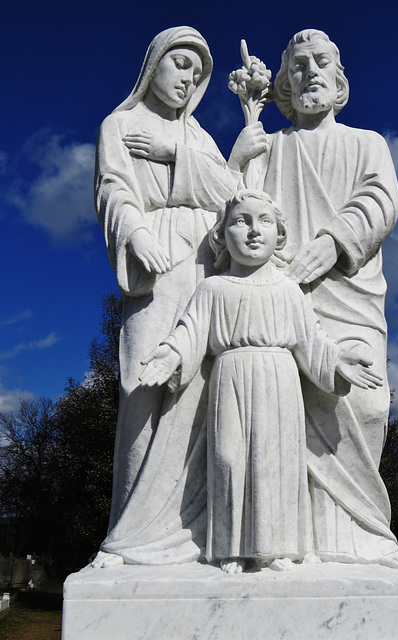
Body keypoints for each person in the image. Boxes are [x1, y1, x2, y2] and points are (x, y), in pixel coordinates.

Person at [139, 189, 383, 574]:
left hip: (280, 382)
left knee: (277, 463)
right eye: (241, 221)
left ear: (279, 234)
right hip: (230, 379)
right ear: (222, 234)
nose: (253, 231)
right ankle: (229, 548)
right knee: (229, 460)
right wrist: (170, 355)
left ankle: (279, 547)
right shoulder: (212, 288)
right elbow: (189, 332)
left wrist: (338, 362)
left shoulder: (288, 290)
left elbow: (312, 340)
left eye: (264, 221)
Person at [236, 29, 398, 567]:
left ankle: (358, 536)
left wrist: (335, 242)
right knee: (282, 412)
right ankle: (294, 543)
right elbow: (241, 205)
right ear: (285, 81)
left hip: (350, 296)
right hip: (286, 300)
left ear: (338, 80)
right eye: (299, 64)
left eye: (321, 62)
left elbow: (382, 199)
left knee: (366, 401)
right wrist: (248, 123)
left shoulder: (366, 143)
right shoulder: (275, 145)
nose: (310, 71)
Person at [93, 27, 241, 566]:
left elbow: (229, 195)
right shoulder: (120, 124)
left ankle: (198, 531)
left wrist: (173, 151)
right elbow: (113, 187)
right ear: (153, 64)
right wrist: (135, 233)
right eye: (180, 64)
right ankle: (128, 533)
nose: (188, 78)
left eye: (197, 72)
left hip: (206, 264)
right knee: (141, 386)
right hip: (155, 264)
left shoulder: (198, 136)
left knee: (201, 393)